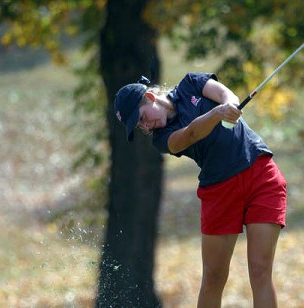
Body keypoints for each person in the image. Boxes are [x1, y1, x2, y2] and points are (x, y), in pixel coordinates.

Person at [114, 73, 287, 308]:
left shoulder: (191, 84)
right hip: (219, 191)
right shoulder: (161, 138)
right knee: (213, 278)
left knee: (260, 271)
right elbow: (191, 134)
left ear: (150, 96)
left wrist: (230, 104)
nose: (145, 126)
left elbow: (226, 94)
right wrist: (218, 113)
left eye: (142, 117)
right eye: (139, 125)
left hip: (261, 174)